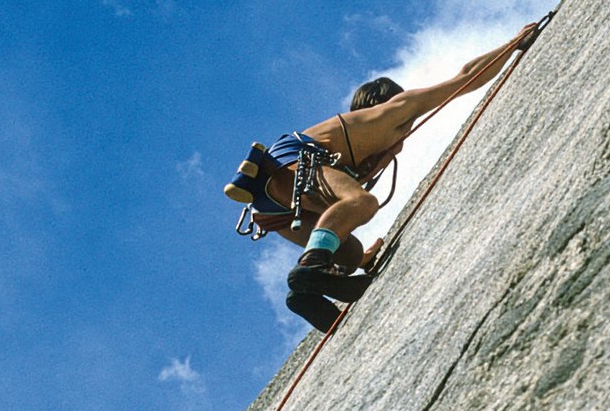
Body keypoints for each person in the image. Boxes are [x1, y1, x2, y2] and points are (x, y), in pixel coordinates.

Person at [226, 24, 540, 329]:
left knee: (346, 255)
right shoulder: (388, 115)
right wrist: (514, 43)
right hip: (293, 165)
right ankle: (310, 267)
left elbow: (333, 217)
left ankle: (305, 295)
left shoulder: (358, 151)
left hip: (269, 209)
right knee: (361, 202)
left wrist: (362, 260)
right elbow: (465, 78)